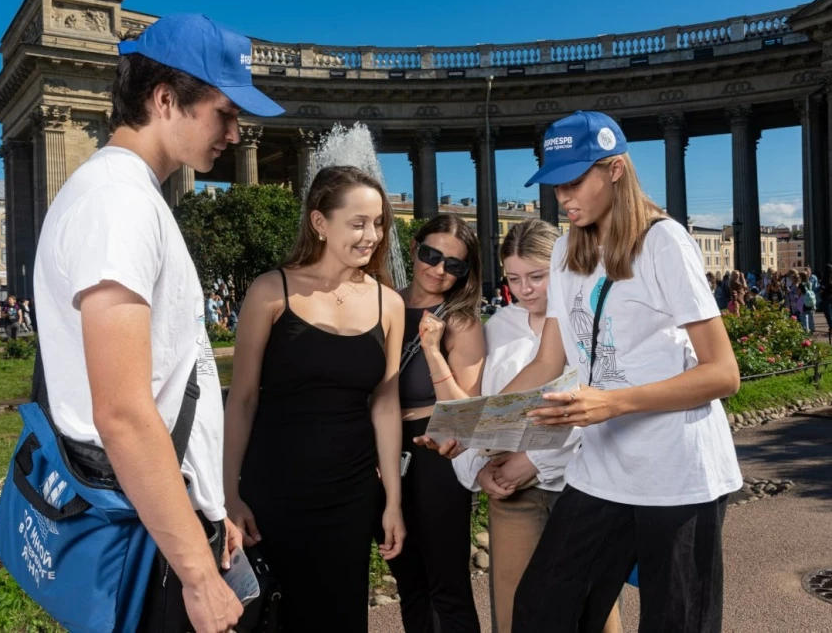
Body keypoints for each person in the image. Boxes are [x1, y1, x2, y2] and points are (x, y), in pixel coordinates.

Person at [426, 111, 742, 632]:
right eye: (554, 184)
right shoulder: (567, 252)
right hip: (604, 471)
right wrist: (472, 424)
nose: (562, 197)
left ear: (615, 169)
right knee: (543, 608)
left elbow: (722, 374)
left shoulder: (664, 241)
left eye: (574, 181)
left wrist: (614, 402)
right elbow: (548, 364)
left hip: (679, 474)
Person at [32, 13, 285, 632]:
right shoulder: (117, 202)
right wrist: (197, 572)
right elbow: (121, 410)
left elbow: (170, 377)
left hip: (159, 511)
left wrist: (206, 502)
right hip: (148, 535)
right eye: (224, 113)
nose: (235, 132)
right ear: (165, 98)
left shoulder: (123, 194)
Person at [224, 165, 406, 632]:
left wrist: (393, 501)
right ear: (320, 223)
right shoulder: (271, 290)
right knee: (276, 616)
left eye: (379, 222)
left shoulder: (390, 303)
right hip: (275, 492)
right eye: (359, 222)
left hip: (351, 493)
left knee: (341, 616)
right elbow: (242, 399)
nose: (373, 235)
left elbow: (385, 405)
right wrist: (230, 492)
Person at [451, 218, 622, 633]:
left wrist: (535, 459)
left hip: (582, 485)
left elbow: (604, 403)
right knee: (513, 611)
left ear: (560, 268)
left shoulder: (592, 318)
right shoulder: (497, 328)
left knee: (592, 613)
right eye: (513, 278)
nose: (525, 288)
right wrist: (479, 467)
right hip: (512, 492)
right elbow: (488, 401)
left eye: (536, 276)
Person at [396, 213, 486, 632]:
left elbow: (463, 413)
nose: (439, 270)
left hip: (436, 455)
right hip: (381, 451)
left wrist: (433, 351)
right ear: (413, 249)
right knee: (407, 577)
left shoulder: (461, 320)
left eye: (454, 265)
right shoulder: (385, 304)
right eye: (431, 256)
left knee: (446, 583)